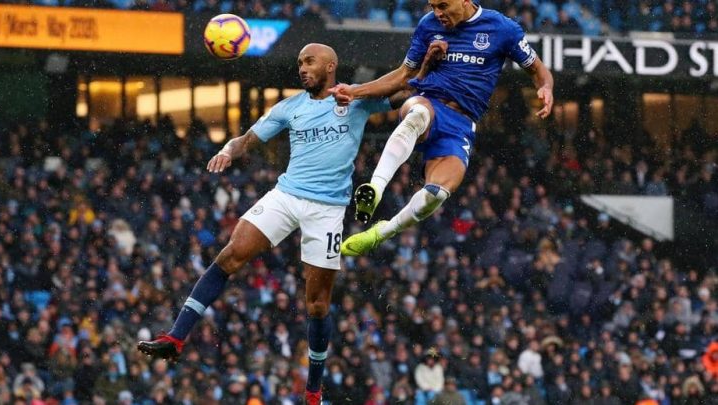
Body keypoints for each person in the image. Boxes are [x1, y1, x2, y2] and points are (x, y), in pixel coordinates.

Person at [136, 43, 392, 405]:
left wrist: (426, 66)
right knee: (230, 255)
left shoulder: (357, 101)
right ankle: (175, 337)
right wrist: (227, 150)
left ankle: (313, 390)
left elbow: (403, 87)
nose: (302, 68)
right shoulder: (289, 107)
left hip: (328, 209)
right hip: (286, 195)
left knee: (318, 305)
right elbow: (247, 140)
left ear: (330, 66)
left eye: (309, 62)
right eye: (299, 62)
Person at [331, 0, 554, 256]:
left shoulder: (502, 28)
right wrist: (355, 91)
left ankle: (381, 233)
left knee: (435, 195)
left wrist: (546, 87)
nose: (437, 13)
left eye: (443, 6)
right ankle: (375, 189)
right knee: (417, 115)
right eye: (433, 6)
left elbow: (538, 70)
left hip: (460, 125)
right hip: (429, 102)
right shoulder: (428, 25)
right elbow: (403, 76)